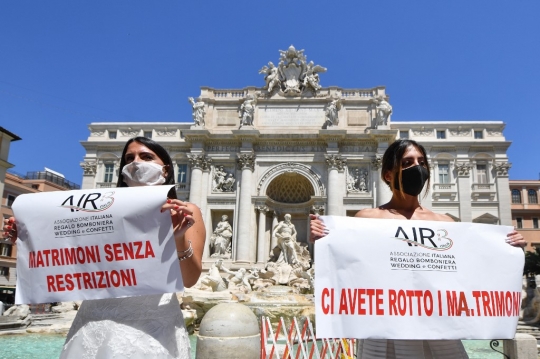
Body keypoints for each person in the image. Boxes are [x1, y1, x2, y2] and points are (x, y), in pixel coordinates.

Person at [309, 139, 525, 359]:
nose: (417, 168)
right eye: (407, 162)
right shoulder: (366, 218)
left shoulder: (446, 223)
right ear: (388, 174)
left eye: (421, 162)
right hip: (384, 328)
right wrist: (323, 238)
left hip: (438, 328)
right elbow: (348, 270)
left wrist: (508, 250)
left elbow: (470, 270)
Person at [3, 136, 206, 359]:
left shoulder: (185, 211)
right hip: (95, 316)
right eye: (129, 158)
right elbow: (70, 253)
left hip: (153, 322)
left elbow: (190, 279)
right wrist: (27, 239)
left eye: (146, 156)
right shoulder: (96, 209)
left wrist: (177, 238)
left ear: (165, 169)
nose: (136, 162)